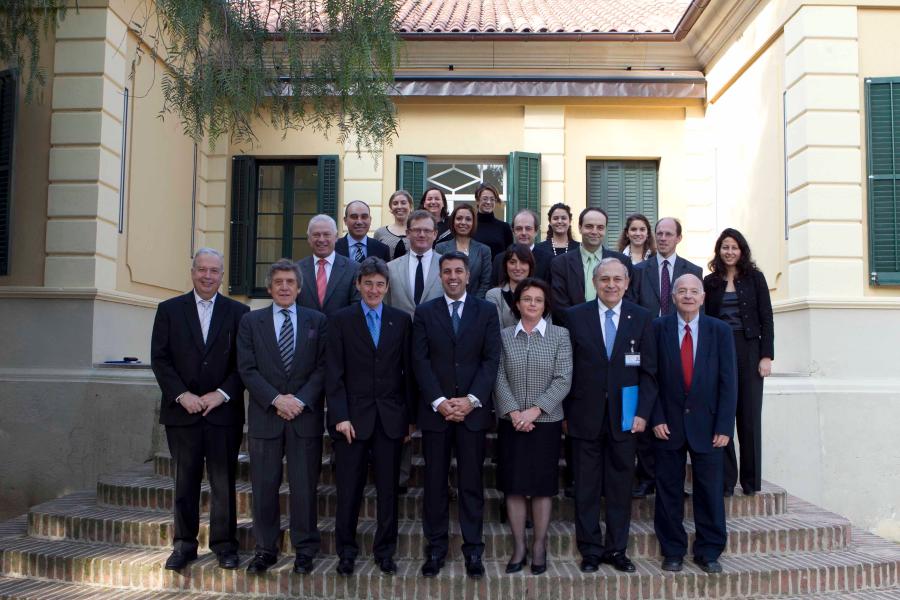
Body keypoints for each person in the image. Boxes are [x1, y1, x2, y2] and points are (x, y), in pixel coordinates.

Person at [151, 248, 249, 572]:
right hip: (183, 413)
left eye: (214, 271)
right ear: (192, 272)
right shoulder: (169, 310)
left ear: (222, 275)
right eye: (202, 270)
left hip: (223, 413)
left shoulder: (239, 312)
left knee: (223, 483)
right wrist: (182, 395)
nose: (207, 276)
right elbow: (160, 360)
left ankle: (224, 545)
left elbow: (244, 364)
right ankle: (184, 545)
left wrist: (222, 394)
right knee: (185, 481)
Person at [412, 251, 501, 579]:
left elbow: (491, 359)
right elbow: (419, 361)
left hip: (472, 413)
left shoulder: (486, 311)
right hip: (436, 413)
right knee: (434, 483)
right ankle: (435, 548)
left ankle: (473, 549)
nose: (452, 276)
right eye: (447, 271)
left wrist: (472, 400)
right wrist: (439, 400)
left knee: (471, 483)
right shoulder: (425, 312)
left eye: (458, 271)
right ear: (440, 274)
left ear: (467, 275)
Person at [565, 257, 657, 574]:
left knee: (620, 487)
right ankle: (590, 549)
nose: (611, 285)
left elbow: (649, 373)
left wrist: (643, 413)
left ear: (628, 283)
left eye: (618, 279)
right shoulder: (574, 317)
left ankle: (617, 549)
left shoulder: (642, 318)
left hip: (626, 418)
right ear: (595, 282)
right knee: (586, 487)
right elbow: (566, 369)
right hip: (583, 415)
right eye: (605, 279)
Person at [237, 259, 328, 575]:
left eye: (291, 282)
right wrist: (276, 400)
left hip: (304, 417)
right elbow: (246, 368)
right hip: (266, 417)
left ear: (300, 288)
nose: (285, 287)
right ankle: (265, 549)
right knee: (264, 486)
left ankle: (305, 550)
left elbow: (322, 368)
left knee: (304, 486)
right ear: (270, 287)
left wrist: (300, 400)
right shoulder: (252, 322)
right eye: (279, 282)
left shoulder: (317, 321)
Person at [326, 257, 413, 576]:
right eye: (368, 283)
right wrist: (339, 416)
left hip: (390, 420)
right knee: (349, 490)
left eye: (380, 284)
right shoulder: (340, 320)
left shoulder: (401, 321)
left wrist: (408, 419)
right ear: (358, 285)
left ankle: (385, 551)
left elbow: (408, 374)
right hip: (352, 421)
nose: (374, 289)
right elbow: (333, 373)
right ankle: (346, 552)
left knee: (389, 490)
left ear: (387, 287)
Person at [652, 274, 737, 574]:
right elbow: (651, 377)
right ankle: (672, 550)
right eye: (682, 291)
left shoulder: (720, 331)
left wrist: (725, 426)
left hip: (710, 426)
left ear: (702, 297)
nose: (688, 296)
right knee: (668, 491)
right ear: (673, 297)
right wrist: (657, 417)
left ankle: (709, 551)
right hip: (668, 425)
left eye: (694, 291)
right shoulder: (658, 328)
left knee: (710, 491)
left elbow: (729, 382)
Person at [494, 277, 572, 575]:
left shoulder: (559, 336)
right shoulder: (503, 336)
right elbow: (498, 375)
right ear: (517, 303)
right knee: (513, 488)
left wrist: (535, 411)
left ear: (545, 305)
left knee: (541, 488)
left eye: (538, 300)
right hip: (511, 422)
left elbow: (564, 378)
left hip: (546, 423)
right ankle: (519, 546)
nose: (532, 304)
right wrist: (514, 412)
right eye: (527, 299)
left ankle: (539, 545)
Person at [627, 217, 702, 499]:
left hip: (680, 344)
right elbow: (632, 306)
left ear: (678, 238)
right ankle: (647, 477)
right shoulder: (638, 269)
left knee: (675, 408)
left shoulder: (692, 270)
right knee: (648, 406)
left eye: (669, 234)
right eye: (659, 233)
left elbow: (698, 309)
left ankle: (673, 479)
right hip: (648, 343)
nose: (663, 238)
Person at [703, 228, 774, 497]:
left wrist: (766, 356)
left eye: (734, 247)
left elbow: (766, 317)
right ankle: (725, 481)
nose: (729, 252)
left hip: (750, 350)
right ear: (719, 251)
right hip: (719, 351)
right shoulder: (710, 282)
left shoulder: (755, 278)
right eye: (725, 247)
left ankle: (751, 481)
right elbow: (705, 321)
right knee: (723, 414)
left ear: (741, 250)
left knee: (749, 416)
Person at [549, 207, 632, 327]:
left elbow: (628, 299)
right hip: (573, 332)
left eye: (600, 227)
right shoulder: (560, 263)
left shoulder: (622, 262)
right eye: (589, 226)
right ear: (579, 227)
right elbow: (559, 305)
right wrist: (584, 328)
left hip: (612, 329)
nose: (594, 231)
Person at [297, 214, 360, 315]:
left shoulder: (354, 269)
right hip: (306, 330)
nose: (321, 240)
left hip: (340, 330)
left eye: (326, 234)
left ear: (336, 237)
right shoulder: (297, 269)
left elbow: (356, 308)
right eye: (316, 235)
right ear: (308, 239)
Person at [385, 210, 444, 316]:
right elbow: (386, 305)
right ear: (407, 233)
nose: (422, 234)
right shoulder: (390, 268)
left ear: (435, 234)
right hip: (401, 331)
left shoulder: (446, 267)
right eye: (417, 230)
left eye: (427, 230)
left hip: (435, 330)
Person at [435, 203, 492, 298]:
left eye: (468, 219)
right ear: (453, 221)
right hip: (446, 304)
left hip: (475, 305)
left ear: (473, 223)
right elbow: (438, 281)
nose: (463, 222)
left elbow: (485, 283)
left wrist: (473, 304)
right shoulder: (440, 248)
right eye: (459, 218)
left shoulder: (484, 250)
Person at [490, 209, 552, 285]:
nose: (523, 233)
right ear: (513, 231)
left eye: (528, 228)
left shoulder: (549, 260)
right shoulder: (499, 259)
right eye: (519, 228)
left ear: (536, 231)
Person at [485, 244, 535, 329]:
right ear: (505, 265)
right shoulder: (494, 295)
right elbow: (496, 331)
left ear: (530, 266)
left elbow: (546, 330)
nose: (518, 268)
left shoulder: (541, 294)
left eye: (523, 262)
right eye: (512, 262)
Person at [472, 184, 513, 259]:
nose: (488, 202)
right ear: (477, 200)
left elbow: (509, 255)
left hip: (498, 270)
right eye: (485, 199)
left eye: (492, 199)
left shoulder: (504, 227)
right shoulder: (470, 226)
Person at [373, 190, 412, 259]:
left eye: (403, 203)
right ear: (391, 208)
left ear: (410, 207)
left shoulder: (417, 232)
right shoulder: (380, 233)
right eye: (395, 203)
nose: (399, 206)